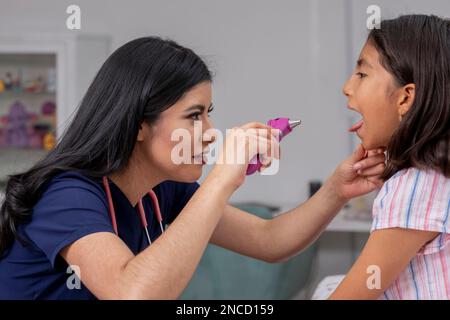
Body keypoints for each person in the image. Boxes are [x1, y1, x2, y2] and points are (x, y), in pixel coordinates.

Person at [0, 37, 385, 299]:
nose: (210, 132)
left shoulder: (161, 190)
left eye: (208, 114)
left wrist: (337, 189)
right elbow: (130, 293)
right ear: (137, 126)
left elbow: (269, 241)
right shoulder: (66, 194)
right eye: (194, 116)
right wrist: (220, 178)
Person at [330, 14, 450, 300]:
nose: (347, 87)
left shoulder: (413, 187)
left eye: (361, 74)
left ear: (406, 99)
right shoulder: (436, 177)